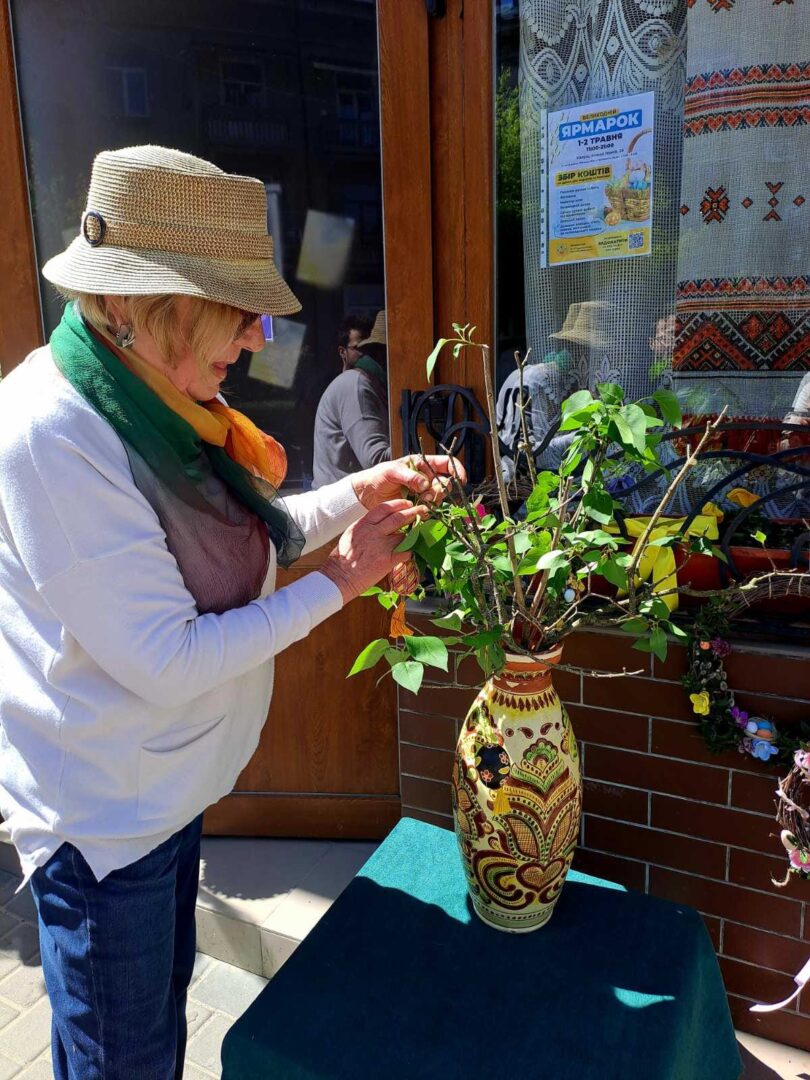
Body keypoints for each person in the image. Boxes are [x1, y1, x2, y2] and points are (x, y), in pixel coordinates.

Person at [0, 146, 460, 1080]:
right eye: (237, 311)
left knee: (143, 1041)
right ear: (140, 305)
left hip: (162, 791)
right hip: (106, 823)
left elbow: (264, 533)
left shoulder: (156, 402)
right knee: (125, 1063)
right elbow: (165, 657)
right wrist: (344, 582)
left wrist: (367, 487)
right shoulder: (54, 432)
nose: (257, 337)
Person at [312, 308, 391, 487]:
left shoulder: (371, 384)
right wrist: (422, 446)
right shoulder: (356, 384)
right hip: (347, 509)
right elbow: (376, 460)